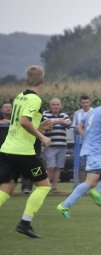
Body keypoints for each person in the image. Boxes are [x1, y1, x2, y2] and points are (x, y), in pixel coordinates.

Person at [0, 65, 52, 238]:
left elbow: (23, 123)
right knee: (44, 186)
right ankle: (25, 223)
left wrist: (40, 126)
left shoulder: (19, 97)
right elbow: (24, 122)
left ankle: (25, 224)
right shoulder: (35, 99)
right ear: (42, 80)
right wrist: (42, 137)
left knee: (6, 188)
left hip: (7, 148)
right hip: (22, 151)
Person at [42, 98, 72, 192]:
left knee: (58, 168)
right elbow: (45, 123)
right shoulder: (45, 114)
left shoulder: (64, 114)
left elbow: (68, 123)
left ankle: (54, 188)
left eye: (57, 104)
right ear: (50, 106)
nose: (56, 106)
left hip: (62, 145)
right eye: (54, 104)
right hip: (50, 145)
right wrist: (60, 121)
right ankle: (45, 187)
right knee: (50, 167)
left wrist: (54, 121)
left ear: (60, 106)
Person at [72, 95, 93, 183]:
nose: (85, 104)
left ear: (90, 103)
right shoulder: (77, 113)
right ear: (81, 103)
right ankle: (82, 183)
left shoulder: (94, 112)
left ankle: (91, 183)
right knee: (81, 164)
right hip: (80, 143)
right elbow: (74, 127)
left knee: (92, 164)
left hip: (92, 143)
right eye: (83, 102)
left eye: (87, 102)